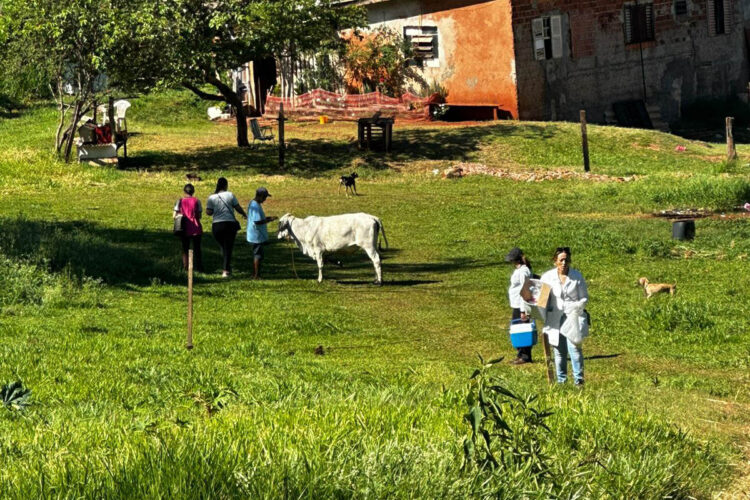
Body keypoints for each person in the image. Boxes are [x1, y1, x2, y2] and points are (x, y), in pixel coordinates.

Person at [539, 247, 589, 386]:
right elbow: (541, 297)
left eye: (566, 260)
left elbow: (584, 298)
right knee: (559, 350)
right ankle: (562, 381)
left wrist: (575, 307)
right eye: (561, 260)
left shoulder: (576, 276)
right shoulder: (548, 277)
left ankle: (579, 380)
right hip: (555, 316)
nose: (564, 263)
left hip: (573, 316)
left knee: (574, 348)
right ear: (555, 261)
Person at [206, 177, 247, 277]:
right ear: (226, 185)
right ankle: (226, 270)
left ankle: (227, 267)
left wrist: (216, 209)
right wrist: (244, 214)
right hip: (229, 224)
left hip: (217, 225)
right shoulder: (230, 195)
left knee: (224, 247)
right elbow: (237, 207)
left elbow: (208, 212)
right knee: (228, 247)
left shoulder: (211, 197)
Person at [505, 247, 533, 365]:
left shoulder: (523, 271)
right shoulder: (520, 270)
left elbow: (525, 290)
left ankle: (525, 355)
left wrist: (523, 310)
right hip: (516, 304)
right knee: (517, 329)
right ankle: (520, 353)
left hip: (520, 305)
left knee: (523, 330)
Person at [246, 187, 276, 279]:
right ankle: (256, 275)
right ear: (261, 196)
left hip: (255, 235)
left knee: (258, 255)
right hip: (256, 236)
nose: (265, 199)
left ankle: (255, 274)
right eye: (265, 197)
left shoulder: (254, 203)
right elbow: (257, 221)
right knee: (258, 255)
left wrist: (267, 218)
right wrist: (269, 220)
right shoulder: (255, 205)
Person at [174, 183, 204, 272]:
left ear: (184, 191)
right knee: (197, 248)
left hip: (184, 227)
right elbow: (199, 215)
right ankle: (199, 267)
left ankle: (186, 267)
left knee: (185, 248)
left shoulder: (180, 201)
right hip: (196, 227)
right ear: (193, 191)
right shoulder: (197, 201)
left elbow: (174, 215)